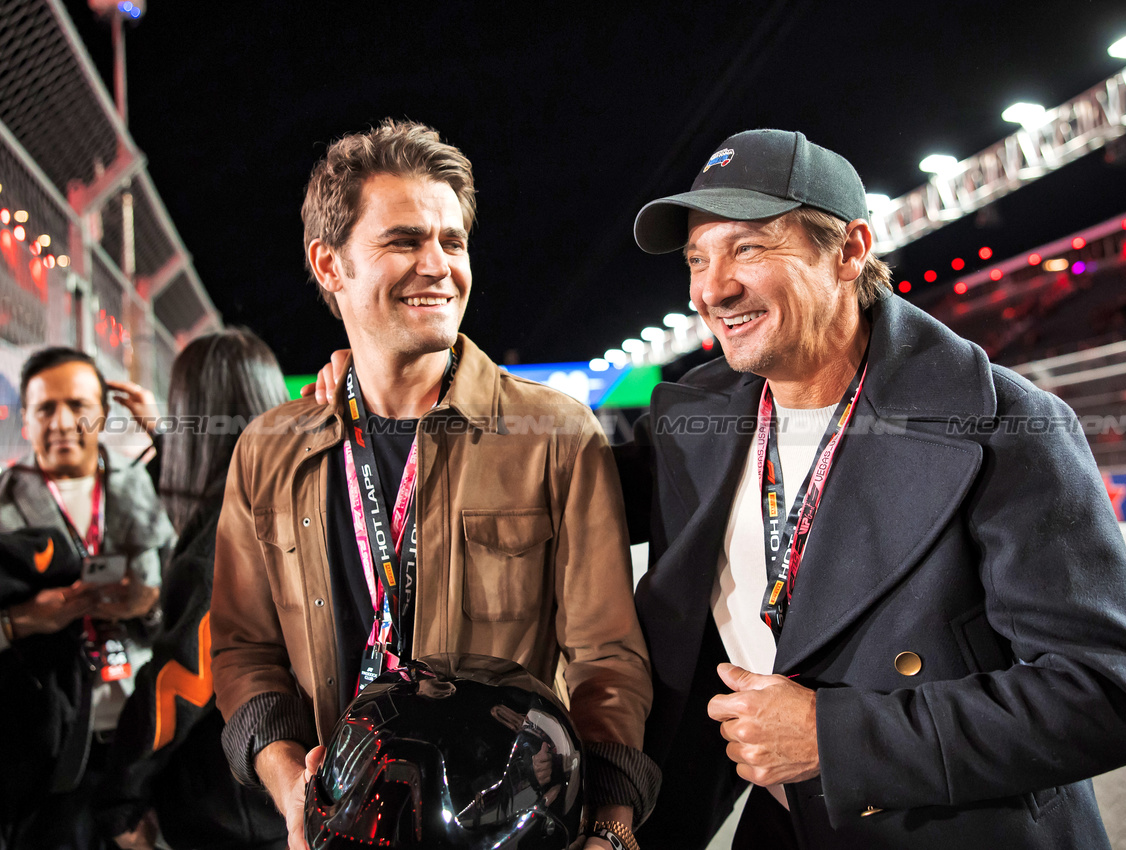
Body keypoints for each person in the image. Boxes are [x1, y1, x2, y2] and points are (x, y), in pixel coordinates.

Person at [619, 129, 1126, 848]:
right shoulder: (695, 415)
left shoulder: (1009, 423)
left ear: (847, 251)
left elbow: (1107, 696)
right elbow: (530, 492)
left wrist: (836, 738)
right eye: (697, 258)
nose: (712, 287)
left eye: (748, 247)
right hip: (788, 822)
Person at [212, 119, 656, 850]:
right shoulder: (269, 450)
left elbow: (606, 657)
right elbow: (244, 651)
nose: (438, 264)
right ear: (330, 266)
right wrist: (287, 779)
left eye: (452, 241)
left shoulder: (554, 433)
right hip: (335, 825)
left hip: (503, 831)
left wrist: (608, 821)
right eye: (403, 241)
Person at [93, 329, 289, 850]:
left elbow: (182, 680)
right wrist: (164, 438)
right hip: (287, 788)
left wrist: (120, 797)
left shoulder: (223, 533)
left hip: (231, 810)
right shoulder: (293, 496)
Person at [0, 347, 174, 850]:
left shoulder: (141, 488)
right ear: (26, 419)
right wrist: (24, 620)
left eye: (78, 405)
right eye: (45, 408)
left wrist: (146, 607)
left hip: (145, 742)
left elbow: (186, 600)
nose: (62, 422)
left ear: (102, 413)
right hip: (47, 752)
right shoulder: (5, 507)